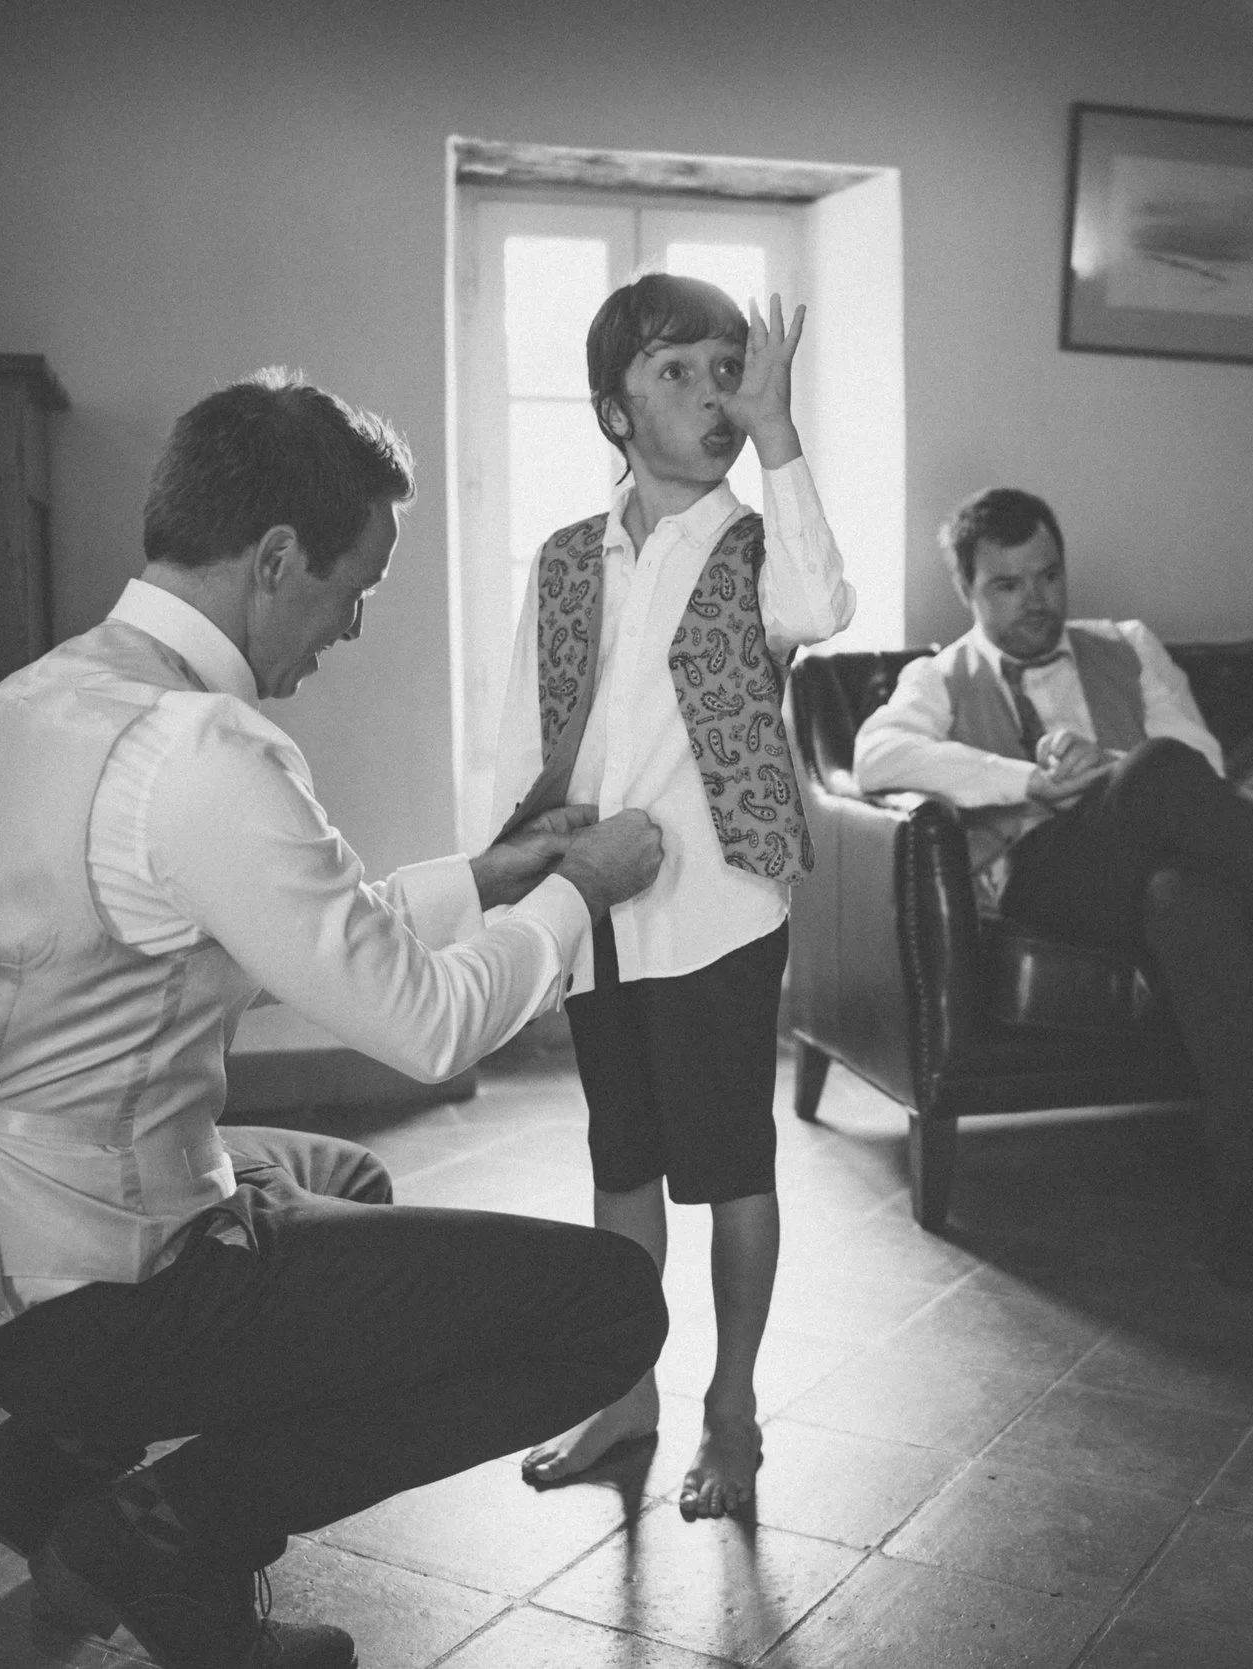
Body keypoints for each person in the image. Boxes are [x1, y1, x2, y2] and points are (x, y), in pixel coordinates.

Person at [0, 370, 670, 1669]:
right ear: (279, 558)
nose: (348, 628)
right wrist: (576, 894)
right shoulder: (208, 753)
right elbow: (433, 1031)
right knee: (610, 1306)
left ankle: (45, 1478)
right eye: (359, 587)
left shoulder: (46, 696)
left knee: (345, 1173)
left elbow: (278, 937)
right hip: (72, 1292)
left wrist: (487, 879)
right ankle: (169, 1525)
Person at [492, 275, 853, 1518]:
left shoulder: (757, 548)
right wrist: (521, 882)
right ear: (613, 409)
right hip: (597, 909)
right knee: (621, 1163)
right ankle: (625, 1387)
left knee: (731, 1169)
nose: (711, 394)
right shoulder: (563, 559)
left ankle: (734, 1407)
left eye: (726, 369)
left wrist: (779, 434)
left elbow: (824, 607)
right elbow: (528, 731)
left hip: (721, 912)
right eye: (677, 372)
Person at [852, 487, 1253, 1290]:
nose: (1037, 600)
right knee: (1159, 776)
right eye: (1008, 584)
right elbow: (875, 757)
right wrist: (1031, 780)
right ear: (968, 591)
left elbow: (1200, 758)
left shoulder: (1126, 645)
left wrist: (1102, 764)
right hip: (1044, 881)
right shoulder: (940, 676)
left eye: (1049, 575)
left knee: (1186, 897)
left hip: (1148, 862)